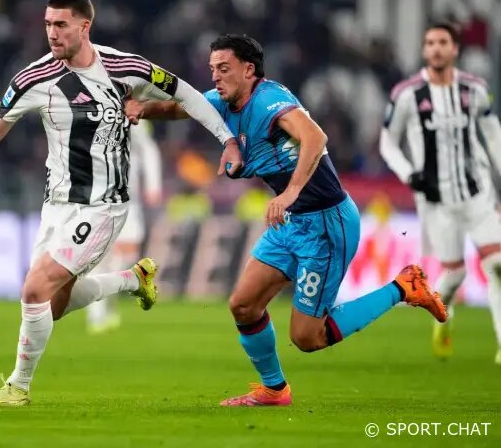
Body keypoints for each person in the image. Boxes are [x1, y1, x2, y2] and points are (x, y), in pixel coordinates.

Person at [0, 0, 242, 407]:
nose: (52, 33)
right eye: (47, 24)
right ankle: (132, 279)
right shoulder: (33, 79)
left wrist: (228, 140)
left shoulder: (125, 68)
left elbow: (187, 94)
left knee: (35, 289)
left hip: (104, 206)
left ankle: (18, 387)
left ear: (84, 26)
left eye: (61, 25)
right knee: (51, 306)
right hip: (56, 205)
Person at [126, 34, 447, 407]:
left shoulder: (269, 100)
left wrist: (291, 191)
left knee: (307, 337)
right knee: (243, 305)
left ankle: (404, 287)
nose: (215, 76)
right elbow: (179, 107)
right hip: (292, 222)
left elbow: (315, 137)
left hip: (326, 223)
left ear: (249, 70)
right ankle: (274, 390)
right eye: (213, 69)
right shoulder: (223, 100)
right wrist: (140, 107)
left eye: (224, 68)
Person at [380, 22, 501, 364]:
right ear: (424, 50)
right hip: (436, 199)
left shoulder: (475, 89)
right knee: (455, 273)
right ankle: (442, 319)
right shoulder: (407, 94)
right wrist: (409, 174)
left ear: (455, 49)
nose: (436, 48)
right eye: (430, 42)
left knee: (497, 265)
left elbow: (493, 133)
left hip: (478, 192)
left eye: (443, 42)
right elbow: (388, 142)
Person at [86, 121, 163, 334]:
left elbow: (148, 149)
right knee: (100, 259)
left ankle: (107, 304)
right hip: (97, 201)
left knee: (127, 257)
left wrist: (153, 185)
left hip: (129, 200)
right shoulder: (89, 116)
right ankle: (96, 315)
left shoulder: (133, 119)